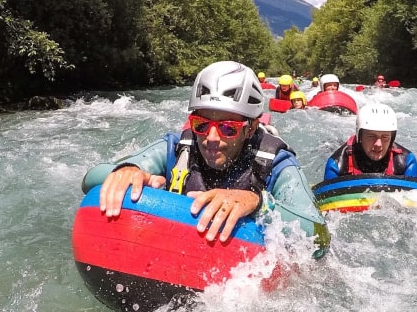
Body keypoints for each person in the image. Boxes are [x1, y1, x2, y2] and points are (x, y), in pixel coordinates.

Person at [83, 61, 330, 253]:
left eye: (228, 128)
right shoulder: (178, 147)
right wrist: (127, 171)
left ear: (251, 128)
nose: (211, 138)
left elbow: (318, 235)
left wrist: (259, 203)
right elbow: (90, 180)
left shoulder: (275, 161)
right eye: (201, 124)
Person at [323, 103, 417, 179]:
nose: (378, 144)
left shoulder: (407, 162)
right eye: (371, 136)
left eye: (385, 137)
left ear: (392, 138)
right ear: (359, 136)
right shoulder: (337, 165)